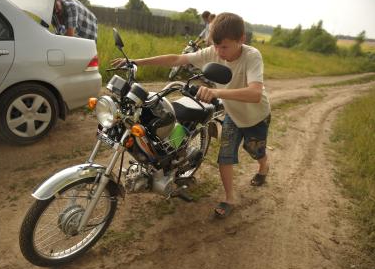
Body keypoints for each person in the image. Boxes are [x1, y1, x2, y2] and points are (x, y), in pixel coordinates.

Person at [111, 12, 271, 219]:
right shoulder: (214, 52)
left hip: (256, 117)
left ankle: (264, 166)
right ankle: (230, 198)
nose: (219, 52)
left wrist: (216, 92)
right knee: (225, 158)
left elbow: (255, 93)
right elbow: (178, 58)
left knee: (255, 151)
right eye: (215, 46)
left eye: (224, 47)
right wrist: (136, 62)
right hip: (233, 114)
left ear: (241, 40)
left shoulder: (252, 56)